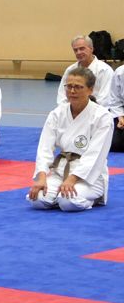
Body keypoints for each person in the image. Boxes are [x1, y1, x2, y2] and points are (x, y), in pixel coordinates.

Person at [28, 67, 113, 211]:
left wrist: (72, 179)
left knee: (67, 202)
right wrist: (42, 176)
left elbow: (96, 154)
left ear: (90, 90)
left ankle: (91, 200)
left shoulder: (102, 116)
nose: (72, 91)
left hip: (89, 176)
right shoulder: (57, 113)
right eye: (69, 86)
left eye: (78, 87)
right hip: (60, 171)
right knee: (37, 199)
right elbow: (44, 148)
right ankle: (56, 196)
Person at [56, 36, 113, 105]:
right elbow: (62, 96)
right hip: (72, 109)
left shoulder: (105, 70)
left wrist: (86, 110)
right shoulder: (70, 70)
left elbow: (104, 99)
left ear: (91, 49)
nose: (78, 52)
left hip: (96, 109)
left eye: (82, 49)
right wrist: (66, 109)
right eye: (75, 50)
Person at [106, 64, 124, 152]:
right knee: (115, 143)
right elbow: (115, 99)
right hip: (122, 111)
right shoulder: (120, 72)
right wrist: (120, 116)